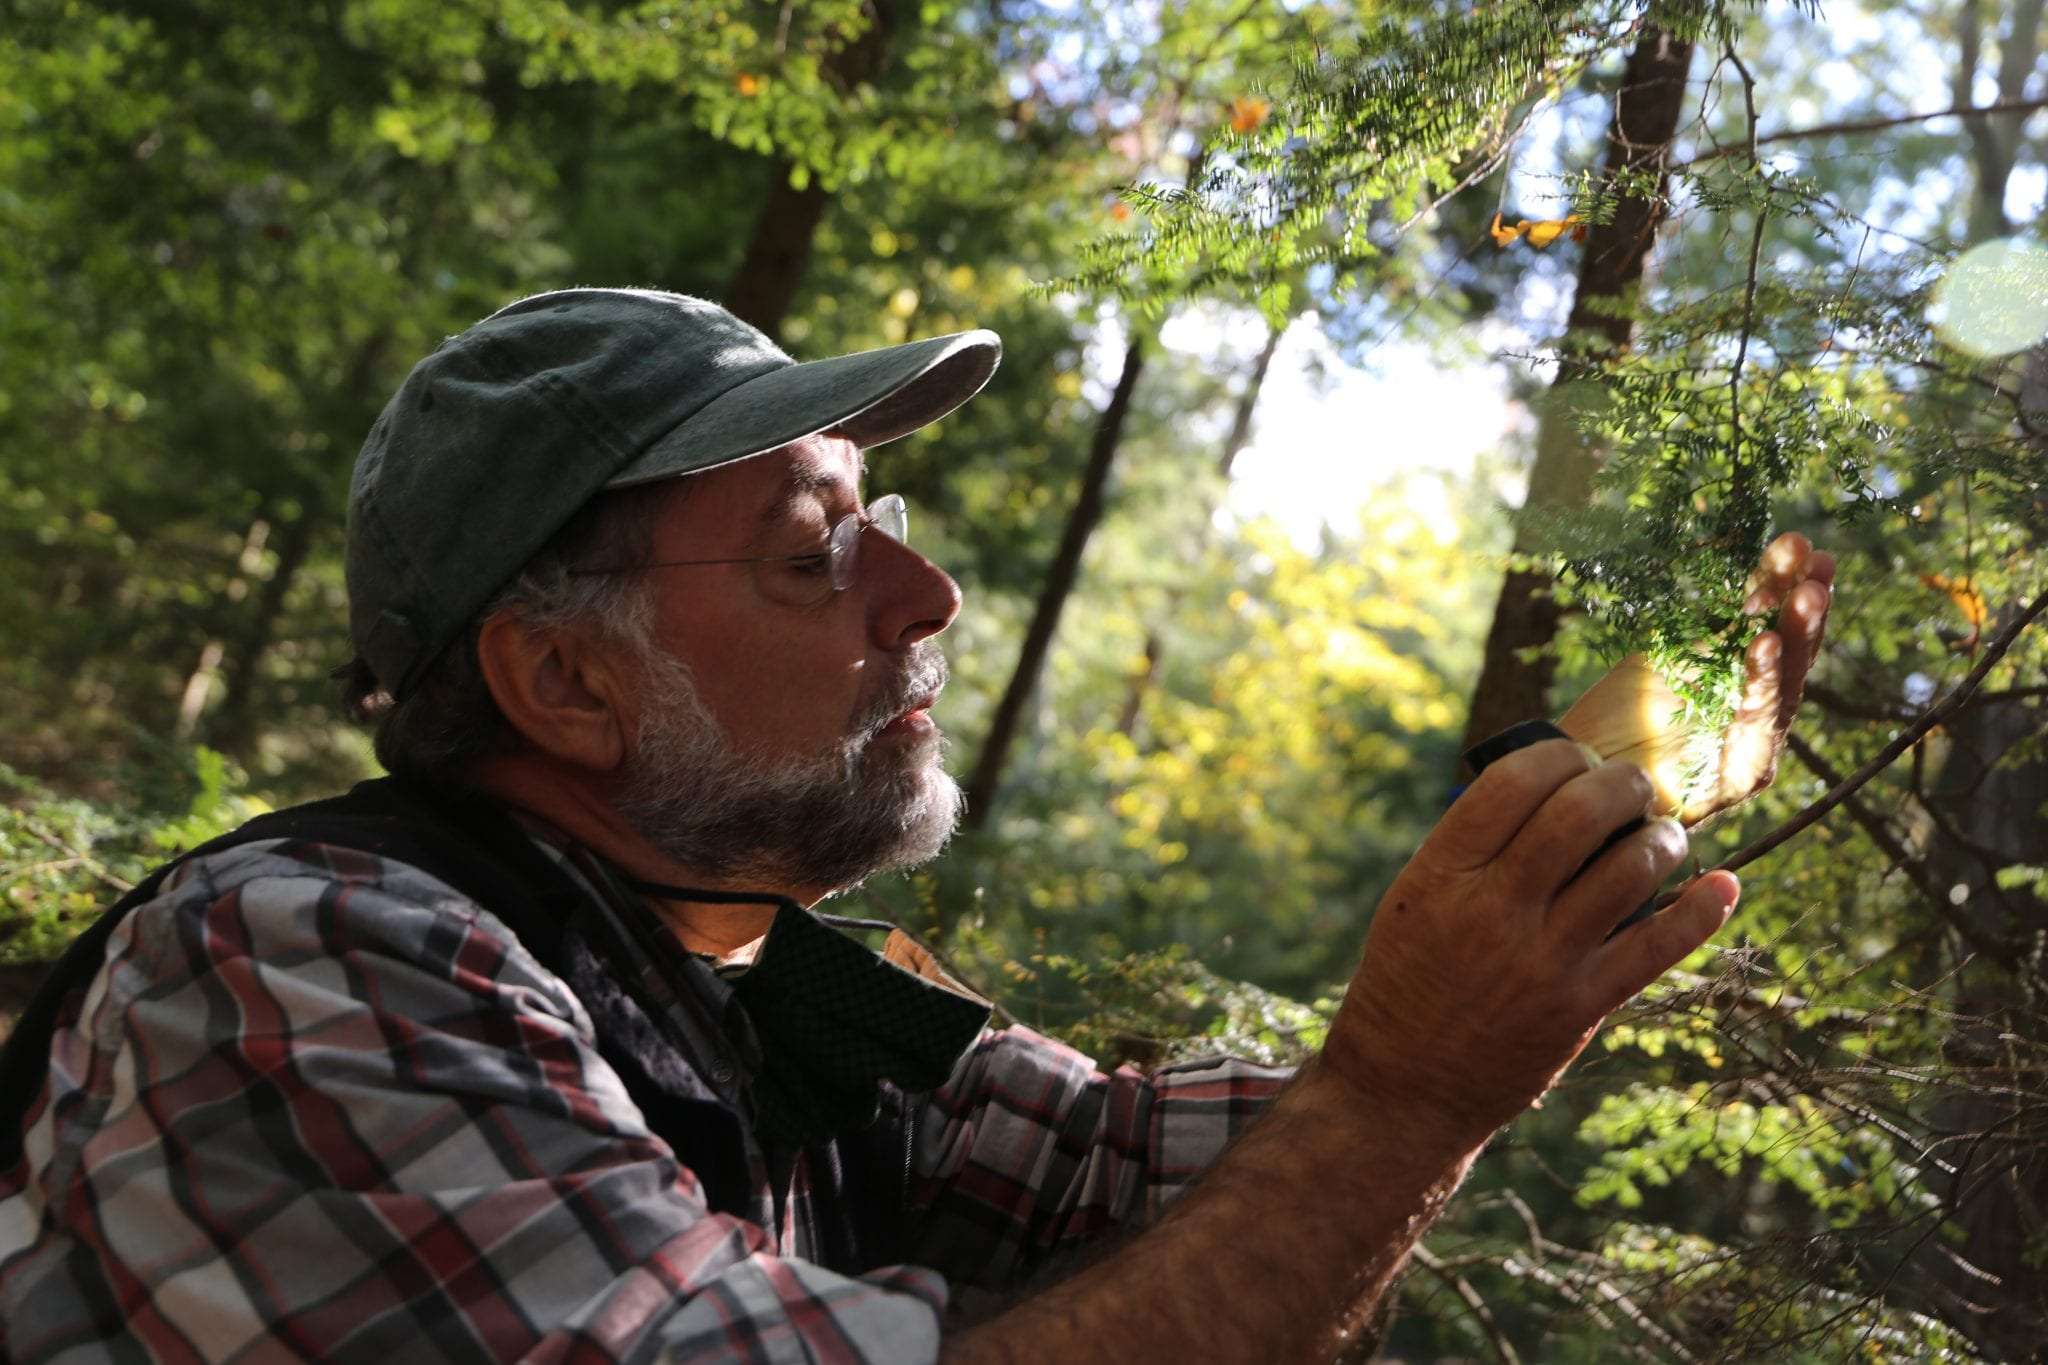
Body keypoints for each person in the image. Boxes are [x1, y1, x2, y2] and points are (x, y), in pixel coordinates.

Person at [0, 288, 1834, 1362]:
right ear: (566, 685)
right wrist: (1409, 1094)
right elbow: (1359, 1123)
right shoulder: (304, 953)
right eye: (817, 554)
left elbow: (1157, 1172)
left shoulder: (769, 977)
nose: (930, 593)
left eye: (881, 518)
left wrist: (1616, 807)